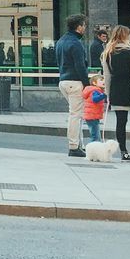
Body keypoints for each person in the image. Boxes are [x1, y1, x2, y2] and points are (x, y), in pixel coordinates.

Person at [100, 25, 130, 161]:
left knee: (121, 123)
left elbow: (107, 76)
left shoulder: (107, 54)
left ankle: (124, 152)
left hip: (117, 92)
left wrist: (108, 95)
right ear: (125, 36)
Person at [56, 14, 89, 157]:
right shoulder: (76, 43)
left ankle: (78, 145)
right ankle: (74, 146)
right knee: (75, 115)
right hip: (75, 82)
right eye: (84, 25)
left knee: (77, 114)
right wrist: (87, 84)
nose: (85, 28)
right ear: (79, 27)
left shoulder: (61, 41)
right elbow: (80, 66)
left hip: (63, 80)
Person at [80, 75, 107, 146]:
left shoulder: (95, 90)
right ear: (94, 83)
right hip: (92, 115)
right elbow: (95, 99)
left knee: (95, 133)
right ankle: (94, 149)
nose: (103, 81)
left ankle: (95, 148)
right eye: (101, 80)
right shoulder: (95, 91)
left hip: (92, 115)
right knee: (95, 135)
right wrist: (104, 95)